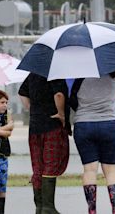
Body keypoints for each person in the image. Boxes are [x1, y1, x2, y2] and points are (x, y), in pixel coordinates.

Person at [18, 73, 70, 214]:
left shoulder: (33, 74)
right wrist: (61, 113)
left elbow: (22, 93)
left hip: (35, 126)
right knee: (50, 164)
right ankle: (48, 207)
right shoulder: (55, 73)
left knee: (38, 166)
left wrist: (33, 109)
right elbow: (58, 95)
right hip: (51, 125)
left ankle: (39, 207)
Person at [71, 73, 115, 214]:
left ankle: (92, 211)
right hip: (110, 124)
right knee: (111, 170)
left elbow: (72, 99)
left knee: (89, 169)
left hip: (84, 124)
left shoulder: (81, 75)